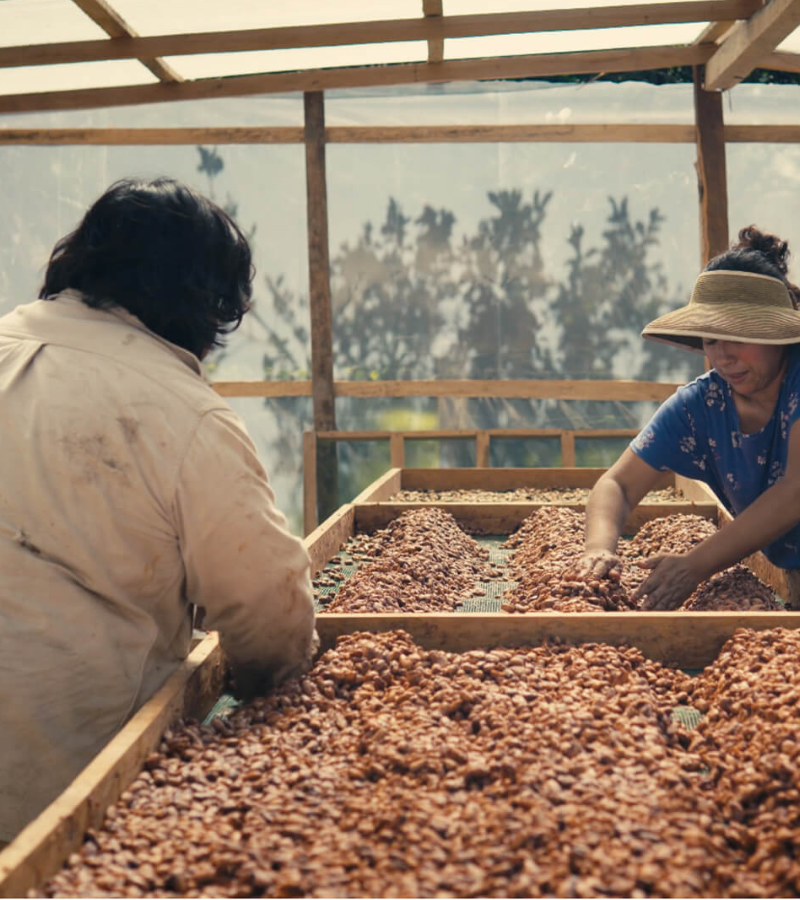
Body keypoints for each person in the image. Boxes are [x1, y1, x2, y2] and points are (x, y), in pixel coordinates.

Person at [0, 177, 317, 843]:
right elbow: (268, 613)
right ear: (204, 304)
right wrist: (269, 688)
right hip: (66, 784)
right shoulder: (181, 411)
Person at [575, 226, 800, 611]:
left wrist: (696, 565)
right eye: (711, 340)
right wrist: (599, 549)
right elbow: (618, 484)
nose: (723, 356)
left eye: (739, 338)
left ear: (777, 336)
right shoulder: (702, 405)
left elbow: (795, 492)